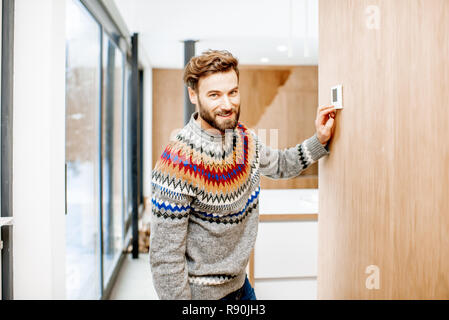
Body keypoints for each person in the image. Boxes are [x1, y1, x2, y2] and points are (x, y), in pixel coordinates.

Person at [150, 49, 336, 300]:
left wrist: (319, 139)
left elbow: (281, 164)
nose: (227, 105)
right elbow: (165, 259)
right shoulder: (176, 163)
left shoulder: (245, 139)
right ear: (193, 95)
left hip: (242, 288)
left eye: (233, 92)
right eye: (214, 95)